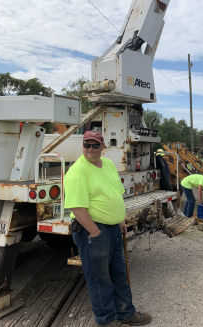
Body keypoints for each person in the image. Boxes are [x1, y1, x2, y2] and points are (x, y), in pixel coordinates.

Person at [64, 131, 152, 327]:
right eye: (87, 144)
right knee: (99, 277)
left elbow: (116, 194)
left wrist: (120, 220)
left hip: (112, 227)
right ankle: (106, 321)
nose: (90, 149)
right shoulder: (77, 172)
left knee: (119, 272)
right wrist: (95, 232)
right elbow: (77, 208)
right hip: (92, 230)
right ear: (82, 146)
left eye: (95, 145)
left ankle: (125, 313)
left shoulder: (109, 165)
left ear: (102, 147)